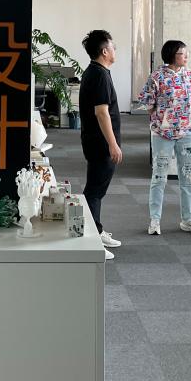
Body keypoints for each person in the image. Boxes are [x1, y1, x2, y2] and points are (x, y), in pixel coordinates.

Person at [138, 40, 191, 236]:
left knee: (187, 177)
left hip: (186, 133)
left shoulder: (190, 76)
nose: (186, 56)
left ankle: (187, 219)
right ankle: (155, 220)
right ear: (172, 55)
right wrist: (163, 118)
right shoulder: (157, 76)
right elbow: (148, 103)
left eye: (186, 53)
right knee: (159, 177)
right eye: (182, 53)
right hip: (162, 134)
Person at [79, 29, 123, 260]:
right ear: (105, 51)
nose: (115, 50)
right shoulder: (99, 75)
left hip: (96, 141)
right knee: (94, 192)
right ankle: (92, 239)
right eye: (113, 47)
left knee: (96, 189)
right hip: (100, 143)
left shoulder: (96, 71)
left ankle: (96, 229)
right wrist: (113, 145)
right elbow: (101, 113)